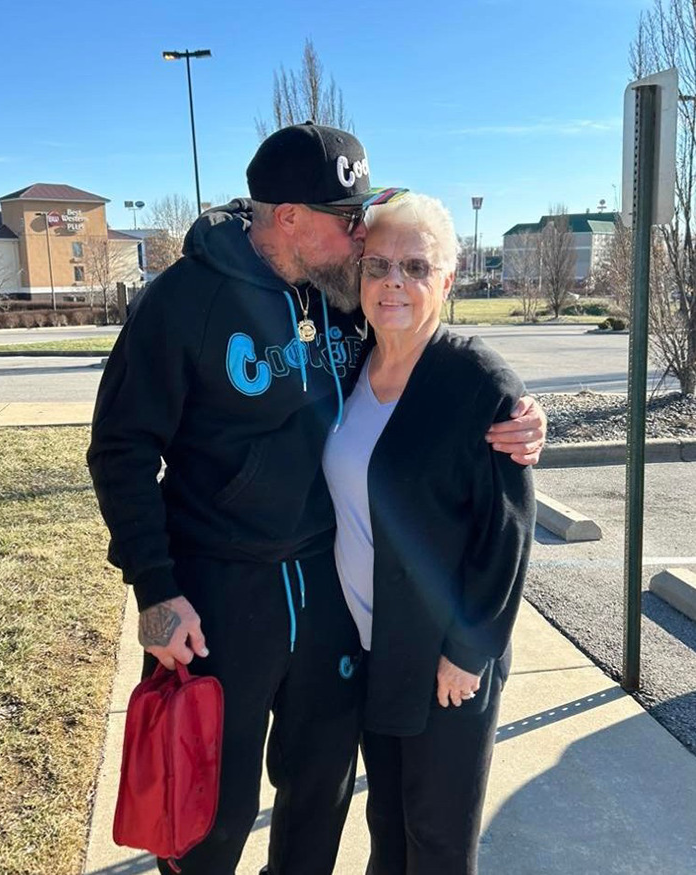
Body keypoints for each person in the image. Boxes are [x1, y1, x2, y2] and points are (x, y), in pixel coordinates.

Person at [88, 123, 545, 875]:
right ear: (290, 218)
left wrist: (523, 419)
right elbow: (120, 450)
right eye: (347, 217)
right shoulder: (181, 303)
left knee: (321, 796)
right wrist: (156, 590)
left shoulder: (339, 299)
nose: (361, 234)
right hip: (221, 599)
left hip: (327, 596)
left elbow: (426, 359)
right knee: (211, 812)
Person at [322, 193, 537, 875]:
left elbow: (508, 534)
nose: (394, 283)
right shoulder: (351, 365)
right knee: (387, 826)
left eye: (416, 266)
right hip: (374, 649)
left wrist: (468, 652)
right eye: (379, 265)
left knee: (438, 844)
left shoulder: (480, 383)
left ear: (448, 277)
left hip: (446, 663)